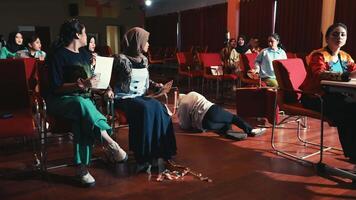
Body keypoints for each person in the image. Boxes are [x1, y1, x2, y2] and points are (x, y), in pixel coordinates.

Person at [46, 19, 127, 187]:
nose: (86, 35)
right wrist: (79, 85)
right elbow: (55, 87)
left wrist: (106, 89)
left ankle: (81, 168)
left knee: (81, 116)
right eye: (84, 32)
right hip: (61, 100)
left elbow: (92, 82)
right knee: (80, 105)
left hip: (82, 101)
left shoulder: (84, 54)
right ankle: (111, 143)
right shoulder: (57, 55)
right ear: (77, 34)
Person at [112, 27, 177, 172]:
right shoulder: (120, 59)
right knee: (146, 108)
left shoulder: (144, 59)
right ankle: (143, 156)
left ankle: (160, 152)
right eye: (146, 41)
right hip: (123, 97)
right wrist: (107, 92)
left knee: (160, 108)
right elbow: (110, 80)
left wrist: (156, 86)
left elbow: (146, 80)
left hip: (139, 97)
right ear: (138, 42)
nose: (148, 44)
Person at [301, 23, 356, 164]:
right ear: (327, 38)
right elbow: (320, 74)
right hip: (315, 97)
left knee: (351, 107)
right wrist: (346, 75)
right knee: (349, 110)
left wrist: (351, 74)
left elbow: (354, 71)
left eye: (343, 34)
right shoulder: (318, 55)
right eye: (335, 34)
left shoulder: (345, 56)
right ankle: (353, 154)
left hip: (337, 96)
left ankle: (352, 152)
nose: (339, 37)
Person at [177, 91, 266, 140]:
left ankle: (228, 133)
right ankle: (250, 130)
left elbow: (185, 126)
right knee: (232, 118)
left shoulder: (182, 106)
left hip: (204, 124)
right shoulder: (192, 93)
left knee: (224, 123)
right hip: (211, 110)